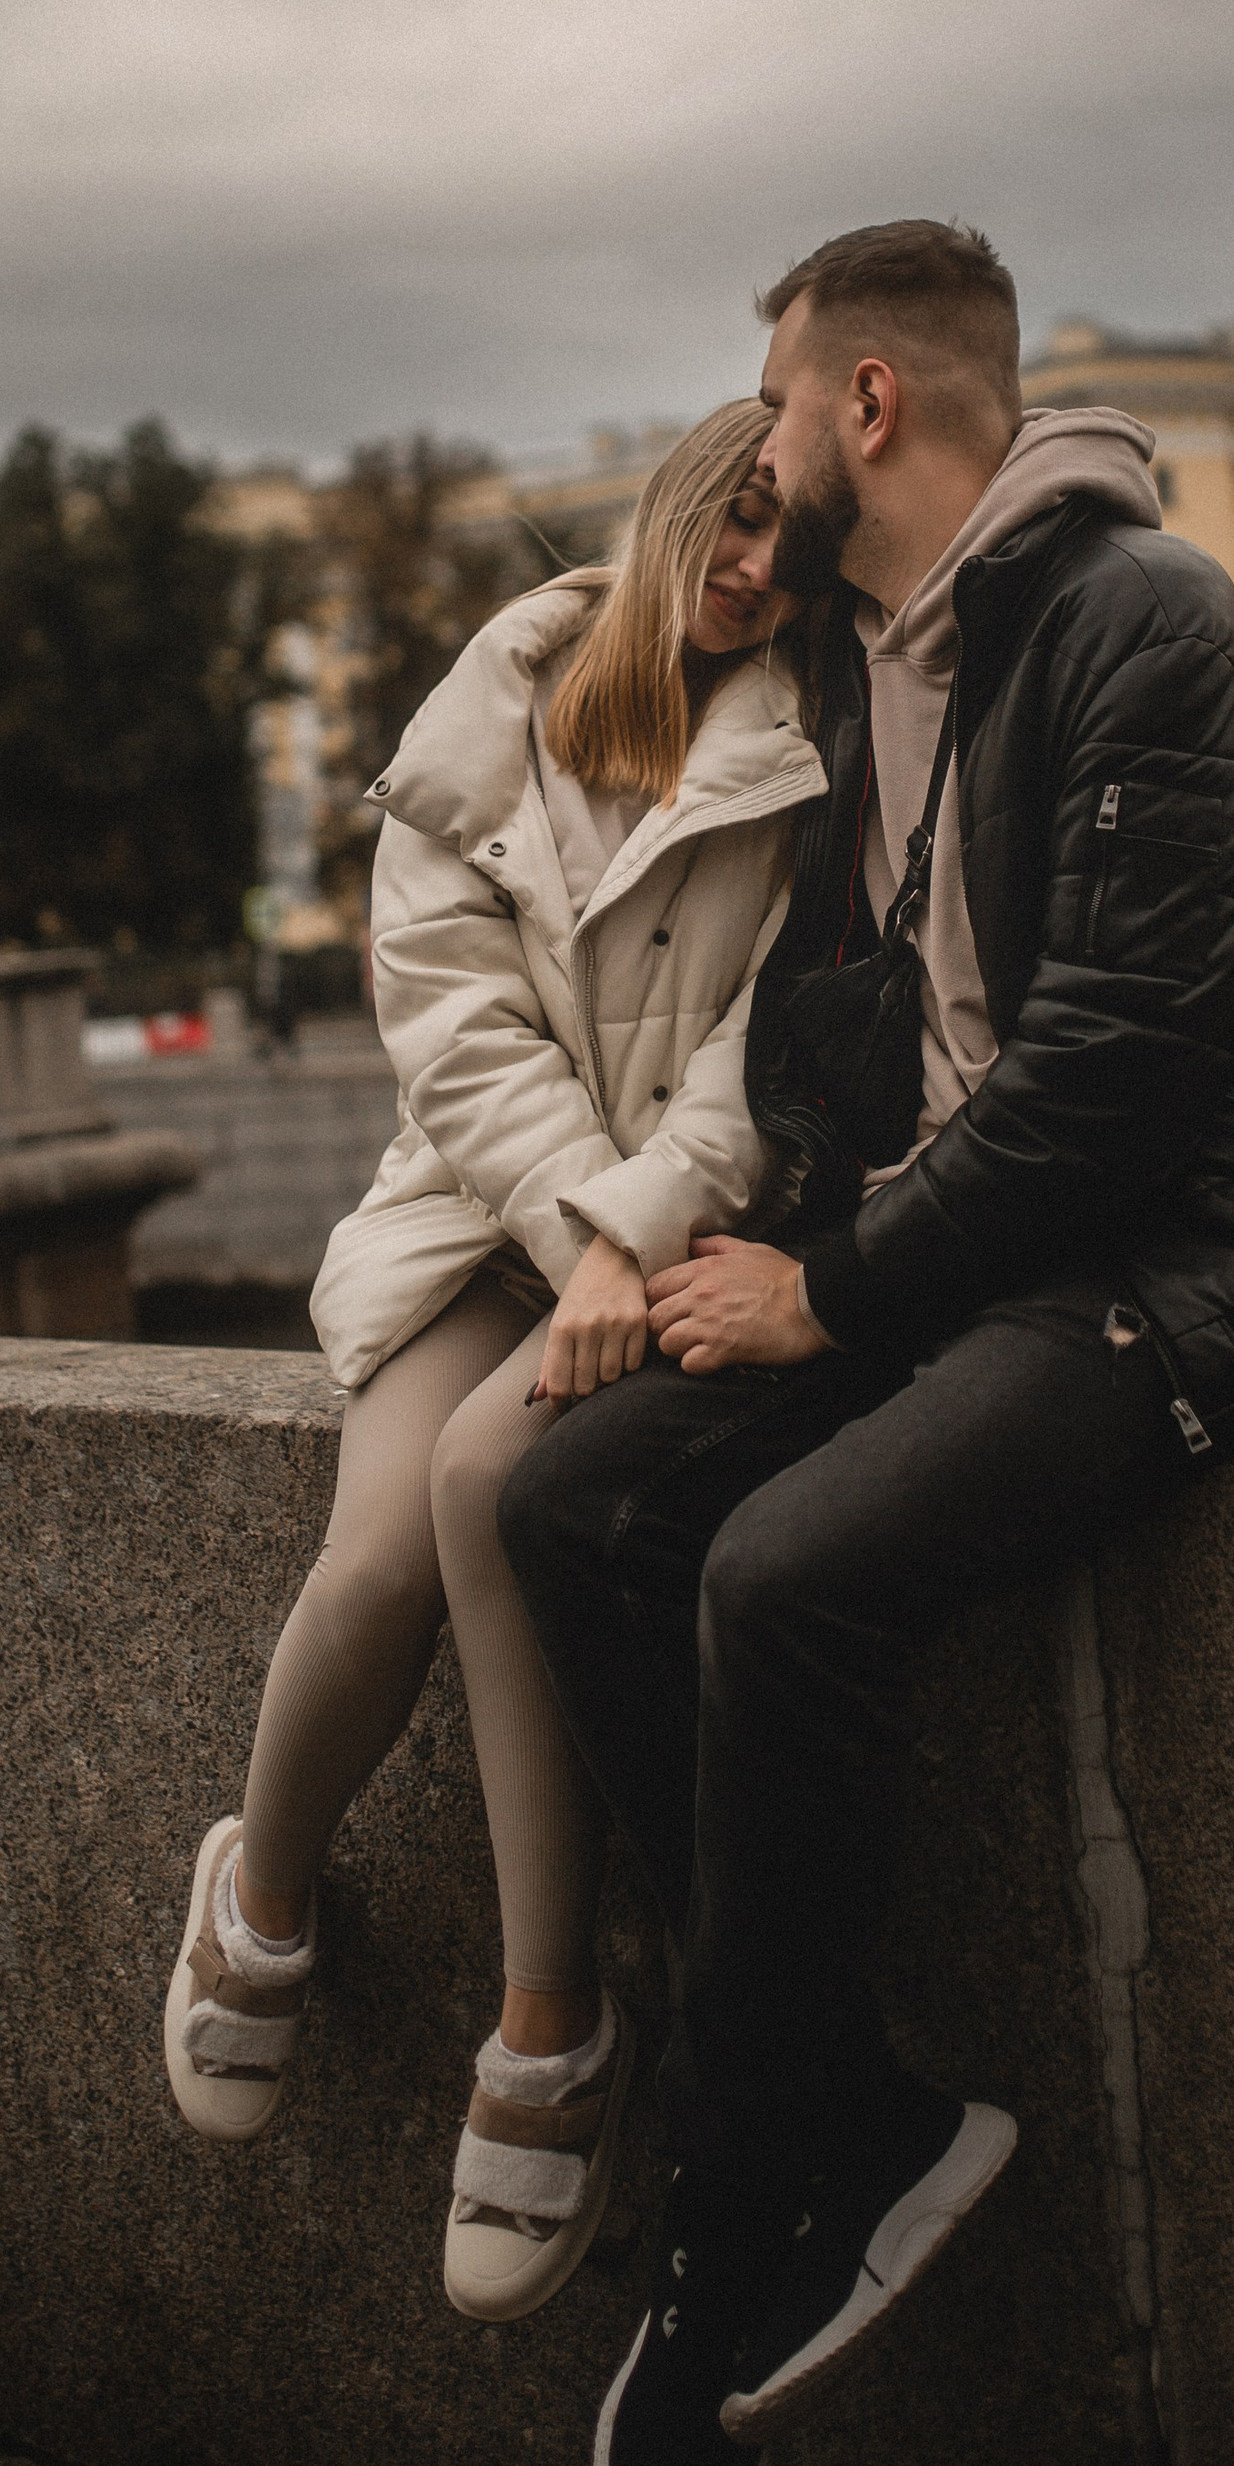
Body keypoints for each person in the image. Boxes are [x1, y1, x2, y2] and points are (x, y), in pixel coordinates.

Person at [500, 220, 1234, 2466]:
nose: (763, 450)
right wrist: (714, 1247)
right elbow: (581, 697)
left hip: (1197, 1254)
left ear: (871, 406)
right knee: (571, 1503)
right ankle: (847, 2119)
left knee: (786, 1575)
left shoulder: (1140, 620)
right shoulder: (864, 663)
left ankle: (750, 2184)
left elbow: (1118, 1077)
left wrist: (831, 1293)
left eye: (780, 406)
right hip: (973, 1252)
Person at [166, 402, 824, 2326]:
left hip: (668, 1225)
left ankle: (552, 2025)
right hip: (482, 1213)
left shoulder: (812, 741)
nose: (753, 566)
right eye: (734, 518)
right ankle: (257, 1893)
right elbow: (448, 1035)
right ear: (671, 509)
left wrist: (641, 1228)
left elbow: (773, 1050)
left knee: (490, 1491)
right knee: (377, 1552)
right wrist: (582, 1232)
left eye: (789, 542)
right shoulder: (490, 719)